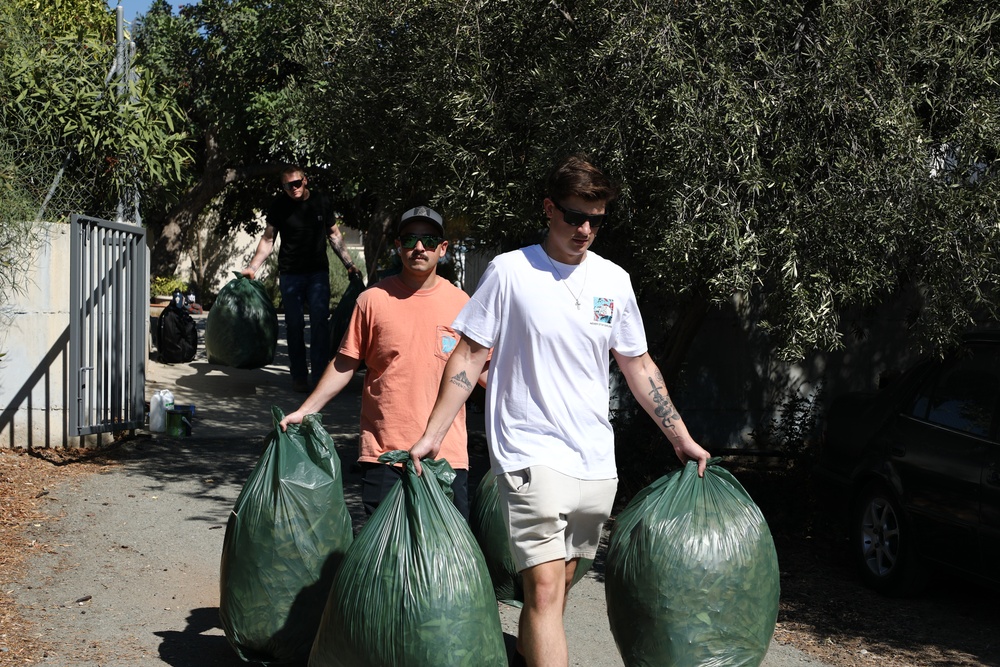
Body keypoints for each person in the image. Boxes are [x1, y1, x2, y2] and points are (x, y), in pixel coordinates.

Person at [408, 154, 711, 667]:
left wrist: (679, 436)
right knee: (545, 591)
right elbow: (468, 355)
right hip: (529, 452)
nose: (585, 229)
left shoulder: (613, 281)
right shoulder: (510, 272)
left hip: (595, 461)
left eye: (596, 219)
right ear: (549, 209)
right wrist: (433, 433)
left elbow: (639, 366)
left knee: (560, 586)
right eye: (574, 216)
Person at [280, 206, 481, 519]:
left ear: (442, 249)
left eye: (428, 240)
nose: (418, 248)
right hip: (385, 454)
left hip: (446, 455)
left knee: (444, 564)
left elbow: (483, 372)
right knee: (386, 562)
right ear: (397, 246)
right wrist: (306, 410)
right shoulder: (372, 300)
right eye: (410, 239)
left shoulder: (463, 304)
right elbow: (344, 363)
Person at [242, 166, 360, 393]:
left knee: (319, 323)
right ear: (283, 187)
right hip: (290, 274)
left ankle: (319, 378)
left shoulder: (321, 201)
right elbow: (268, 240)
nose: (294, 188)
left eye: (297, 183)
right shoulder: (279, 206)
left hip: (317, 273)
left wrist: (349, 264)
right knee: (294, 325)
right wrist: (252, 267)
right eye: (288, 185)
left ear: (305, 181)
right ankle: (298, 376)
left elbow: (334, 234)